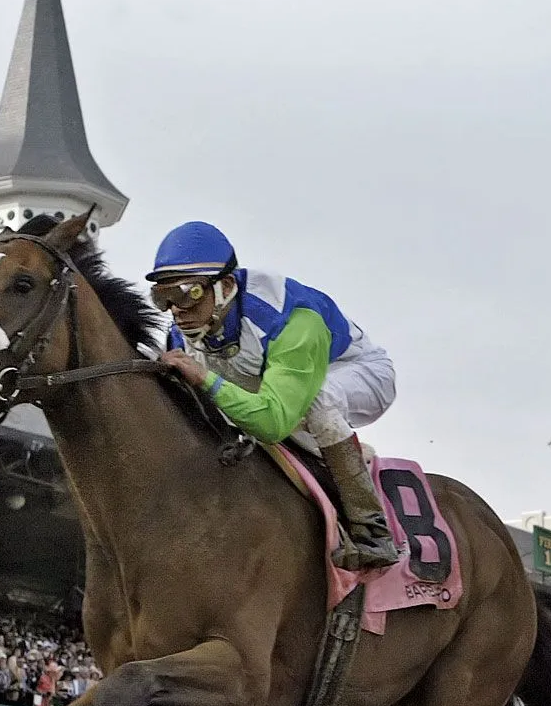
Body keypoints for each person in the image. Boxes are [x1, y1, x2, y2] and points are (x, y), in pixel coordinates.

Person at [151, 220, 399, 570]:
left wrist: (206, 378)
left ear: (224, 286)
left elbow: (272, 423)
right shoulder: (181, 335)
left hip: (358, 373)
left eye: (188, 293)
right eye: (163, 297)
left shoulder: (295, 319)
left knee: (317, 401)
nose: (177, 310)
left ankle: (372, 529)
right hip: (268, 376)